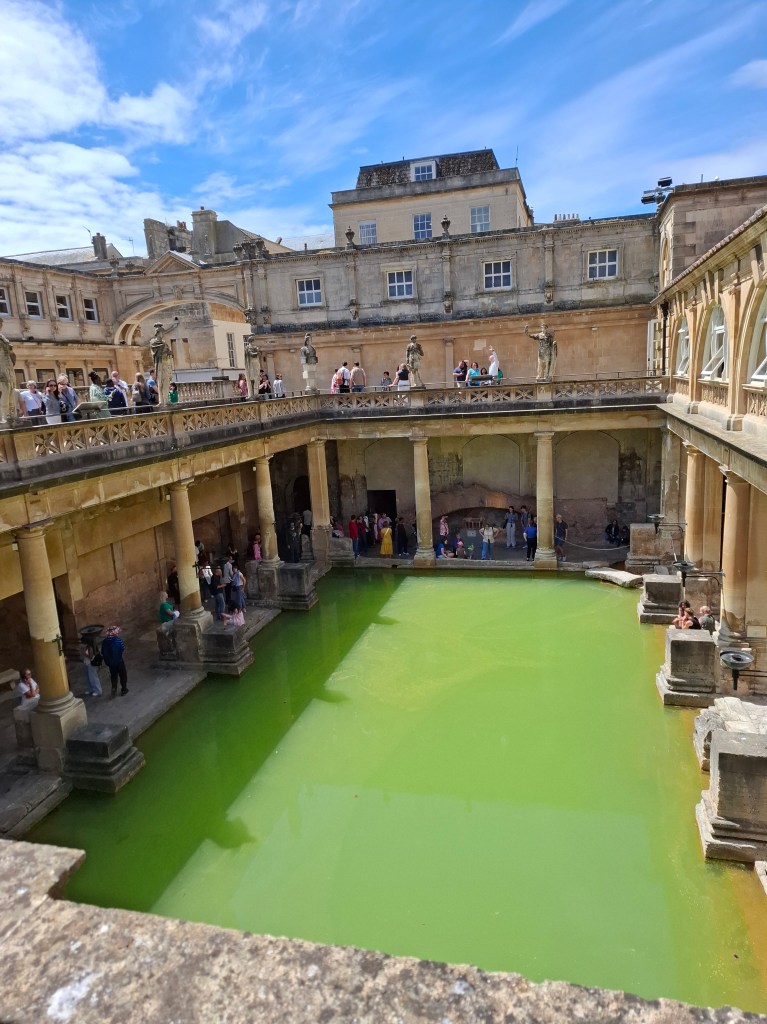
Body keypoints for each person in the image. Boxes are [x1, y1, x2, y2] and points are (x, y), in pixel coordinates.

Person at [150, 321, 175, 407]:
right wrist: (163, 351)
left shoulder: (164, 343)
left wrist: (169, 353)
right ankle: (161, 401)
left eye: (163, 332)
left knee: (166, 383)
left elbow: (169, 352)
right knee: (160, 383)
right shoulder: (153, 342)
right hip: (159, 364)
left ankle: (166, 400)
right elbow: (155, 352)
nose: (162, 334)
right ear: (157, 333)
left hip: (166, 364)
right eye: (161, 332)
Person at [100, 625, 128, 697]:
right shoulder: (117, 640)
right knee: (123, 675)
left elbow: (102, 652)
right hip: (119, 661)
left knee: (113, 676)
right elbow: (122, 648)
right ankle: (124, 689)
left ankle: (113, 689)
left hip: (111, 663)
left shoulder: (105, 642)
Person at [0, 321, 17, 422]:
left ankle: (11, 414)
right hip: (1, 367)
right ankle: (4, 415)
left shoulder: (2, 337)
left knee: (11, 389)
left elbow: (11, 353)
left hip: (8, 366)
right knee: (5, 390)